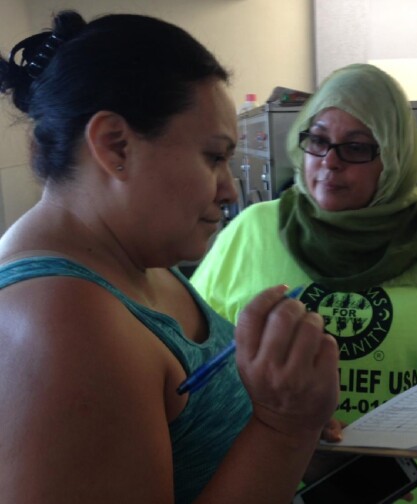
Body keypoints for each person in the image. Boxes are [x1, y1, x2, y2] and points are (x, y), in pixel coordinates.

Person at [0, 10, 340, 504]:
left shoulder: (136, 261)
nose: (229, 189)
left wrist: (293, 439)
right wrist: (283, 426)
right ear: (115, 145)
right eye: (214, 157)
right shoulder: (66, 325)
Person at [190, 63, 417, 504]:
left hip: (416, 492)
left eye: (357, 147)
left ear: (395, 158)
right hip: (275, 485)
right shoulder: (251, 232)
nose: (329, 161)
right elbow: (196, 364)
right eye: (319, 140)